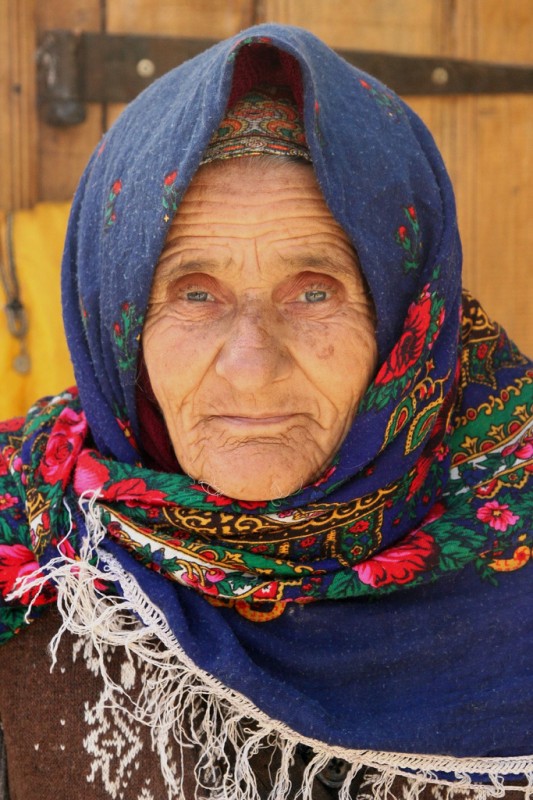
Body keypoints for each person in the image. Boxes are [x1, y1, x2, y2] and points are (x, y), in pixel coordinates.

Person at [0, 23, 531, 800]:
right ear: (115, 323)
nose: (250, 366)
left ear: (406, 318)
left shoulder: (506, 500)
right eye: (194, 292)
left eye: (314, 289)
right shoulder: (31, 539)